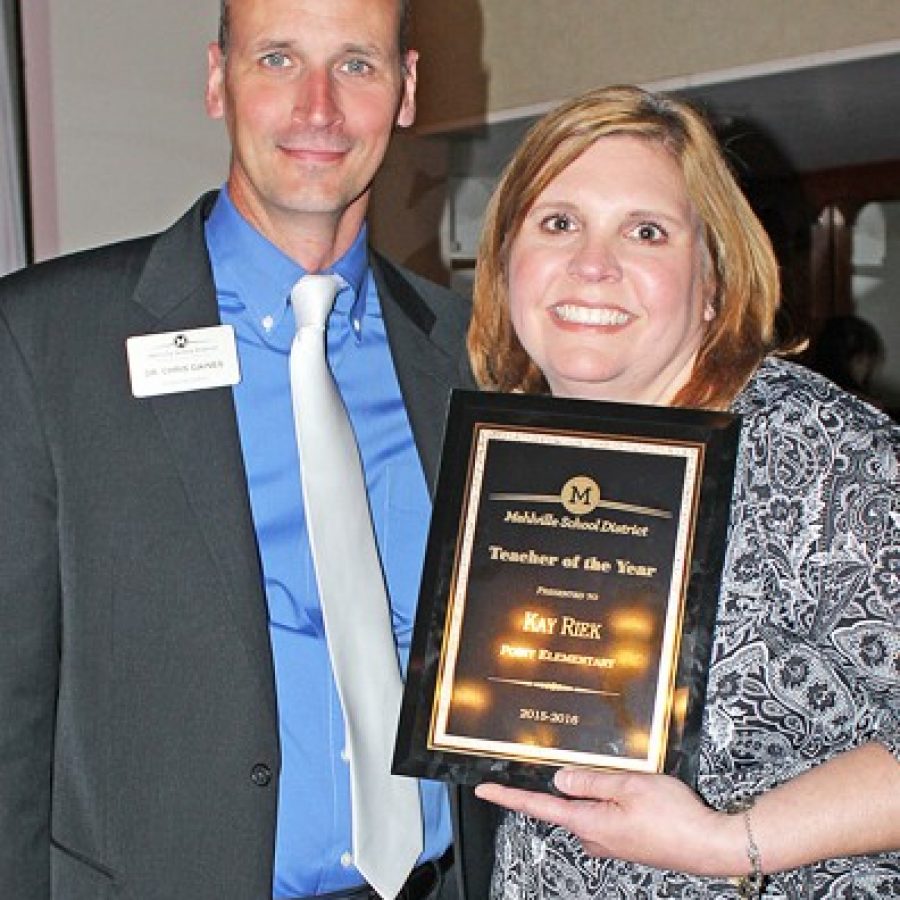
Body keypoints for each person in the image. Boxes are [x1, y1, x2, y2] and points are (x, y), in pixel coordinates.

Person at [0, 1, 492, 897]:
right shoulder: (46, 344)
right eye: (277, 60)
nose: (318, 109)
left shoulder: (468, 354)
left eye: (356, 65)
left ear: (407, 90)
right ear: (217, 79)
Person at [467, 85, 900, 897]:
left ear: (712, 283)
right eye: (559, 223)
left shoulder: (815, 450)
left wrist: (732, 841)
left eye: (646, 231)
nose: (592, 265)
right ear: (504, 264)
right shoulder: (521, 463)